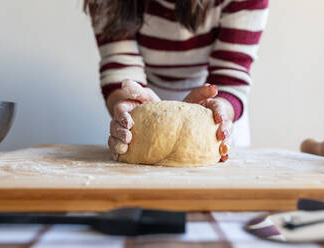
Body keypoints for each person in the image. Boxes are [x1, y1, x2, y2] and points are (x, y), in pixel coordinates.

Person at [85, 0, 269, 162]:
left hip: (214, 98)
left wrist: (222, 109)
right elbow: (120, 63)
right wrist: (126, 102)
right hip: (144, 97)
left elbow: (230, 71)